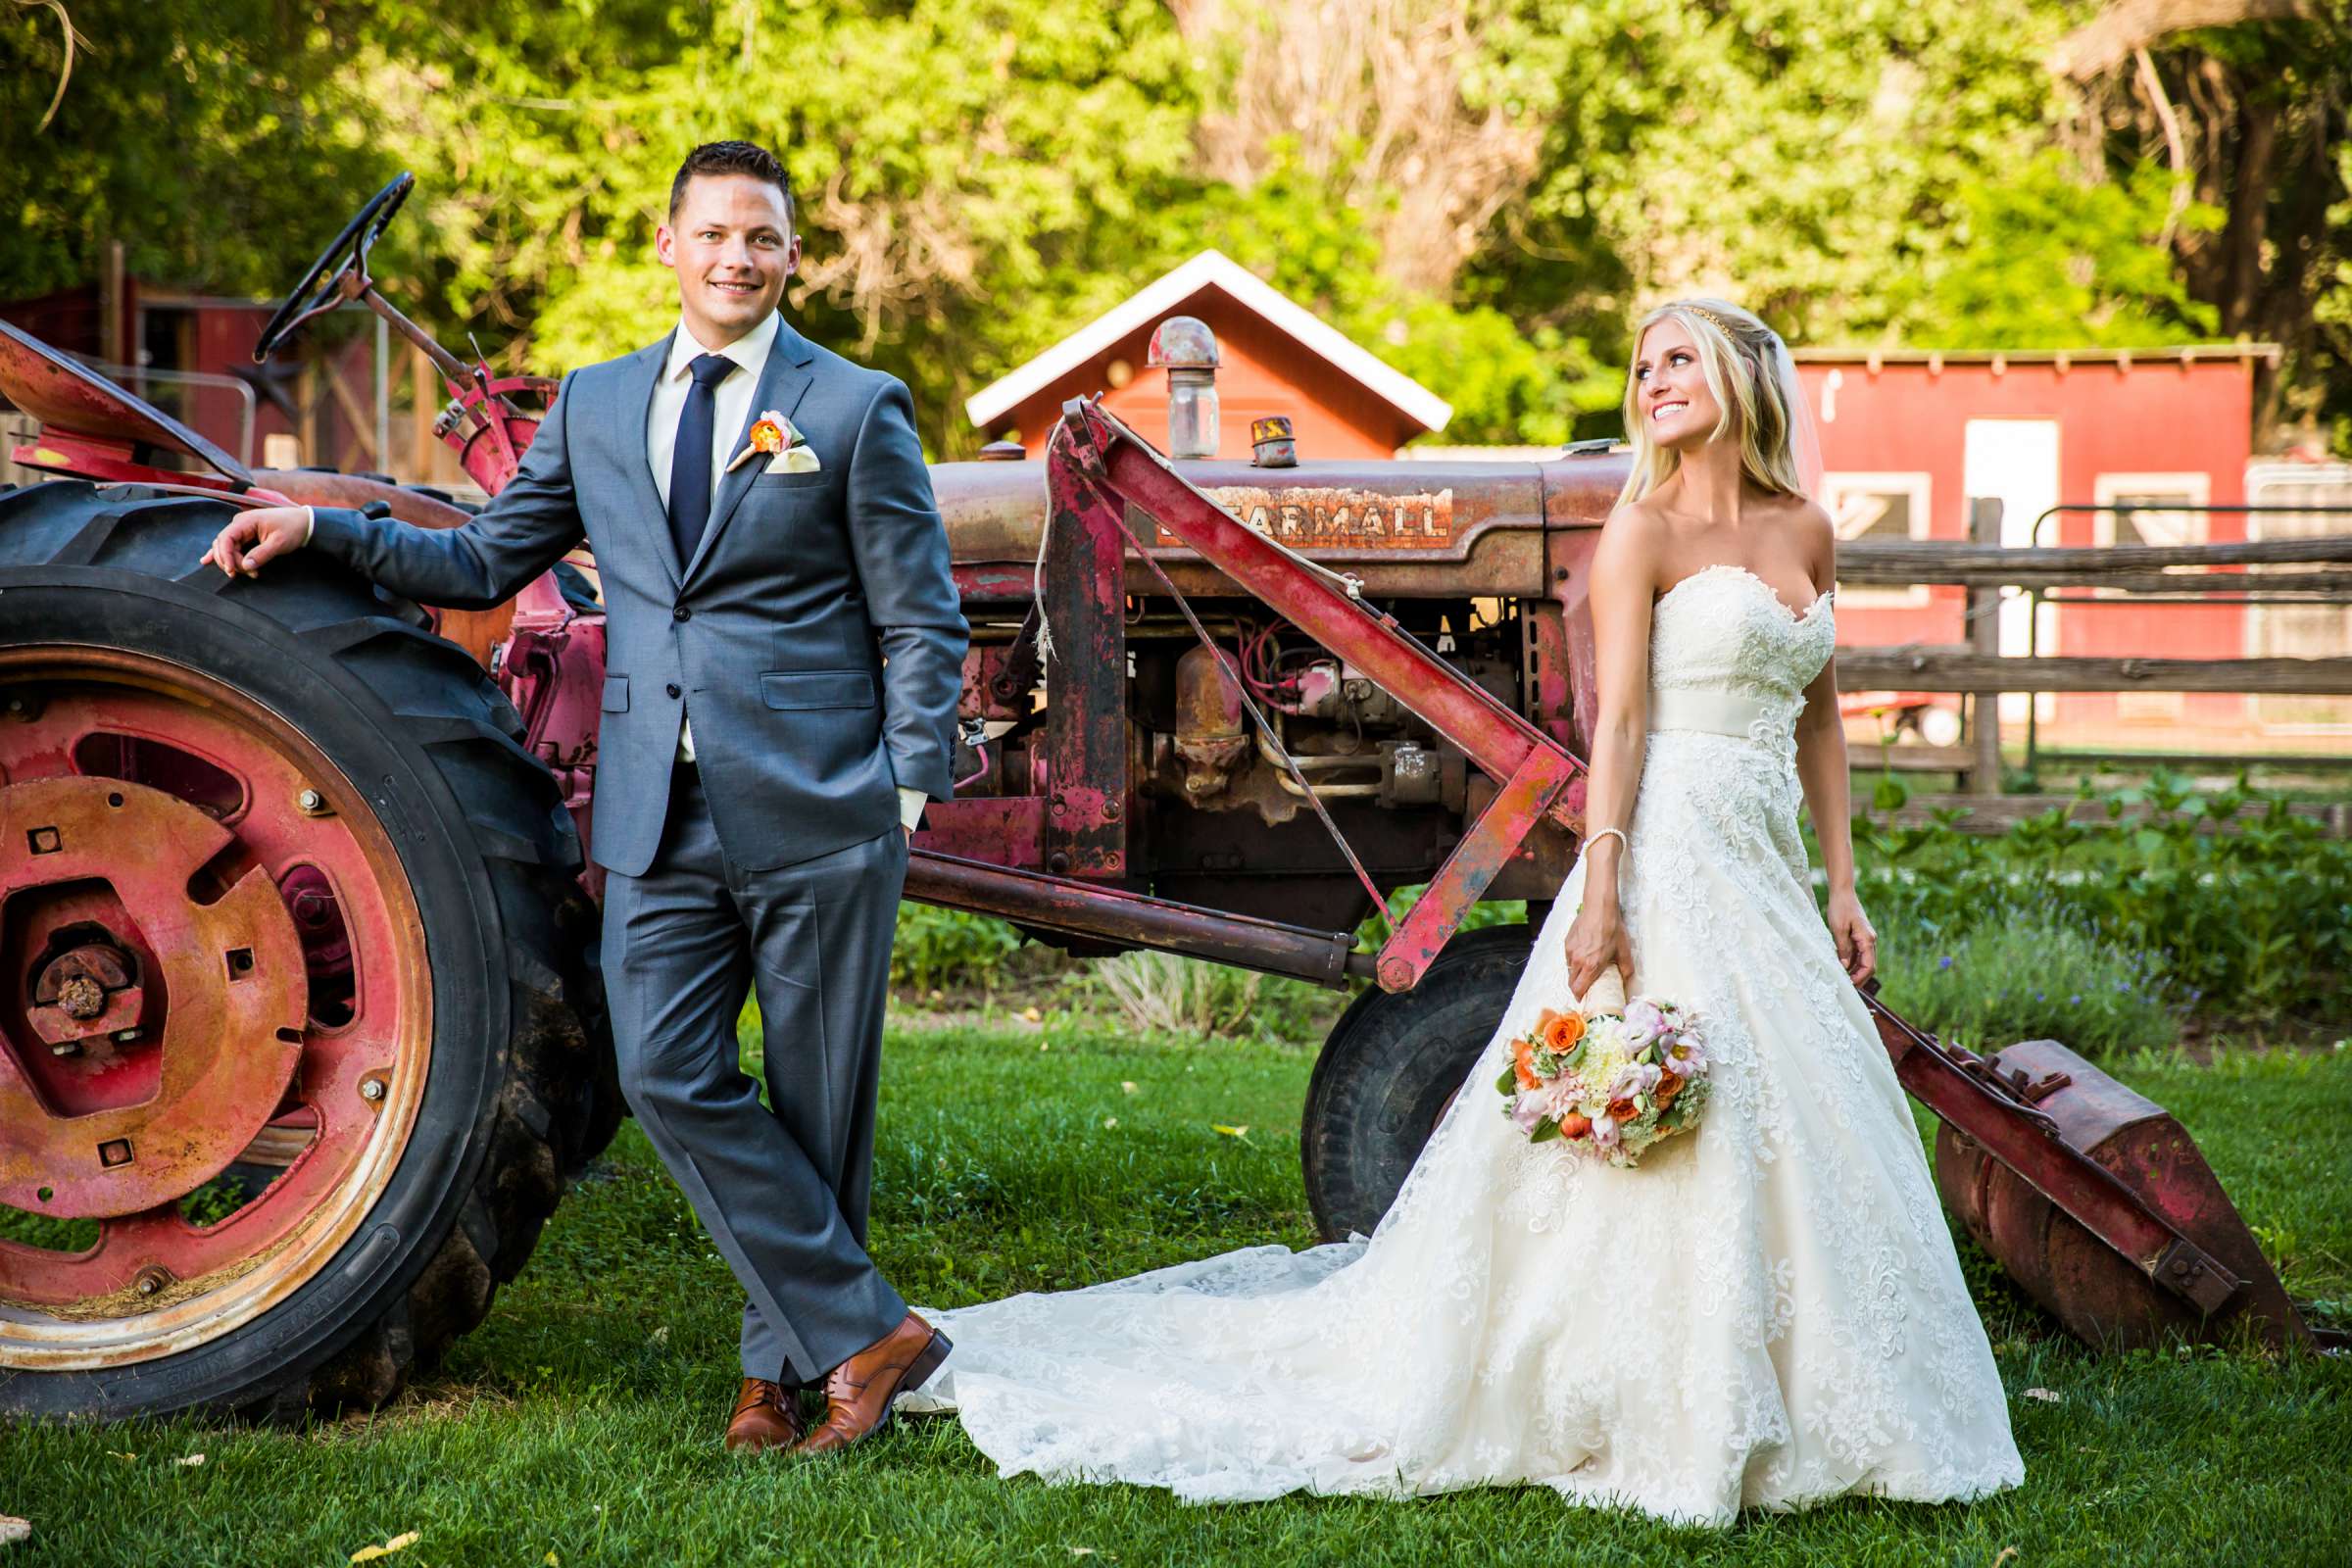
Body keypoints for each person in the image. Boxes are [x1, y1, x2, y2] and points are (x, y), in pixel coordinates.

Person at [895, 299, 2025, 1526]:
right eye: (1642, 364)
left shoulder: (1806, 525)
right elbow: (1622, 725)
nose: (1652, 380)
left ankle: (1824, 1381)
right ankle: (1642, 1377)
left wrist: (1843, 880)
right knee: (1680, 1093)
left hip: (1765, 852)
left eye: (1678, 359)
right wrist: (1602, 887)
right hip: (1672, 837)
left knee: (1793, 1095)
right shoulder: (1638, 527)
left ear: (1748, 377)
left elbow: (1819, 713)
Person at [201, 139, 969, 1457]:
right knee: (668, 1072)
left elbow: (923, 620)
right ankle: (868, 1332)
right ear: (669, 248)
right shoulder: (600, 405)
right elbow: (486, 552)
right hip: (654, 814)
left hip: (817, 809)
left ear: (792, 258)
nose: (738, 256)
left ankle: (779, 1381)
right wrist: (325, 527)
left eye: (764, 238)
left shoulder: (853, 407)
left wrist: (897, 793)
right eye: (715, 233)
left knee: (816, 1104)